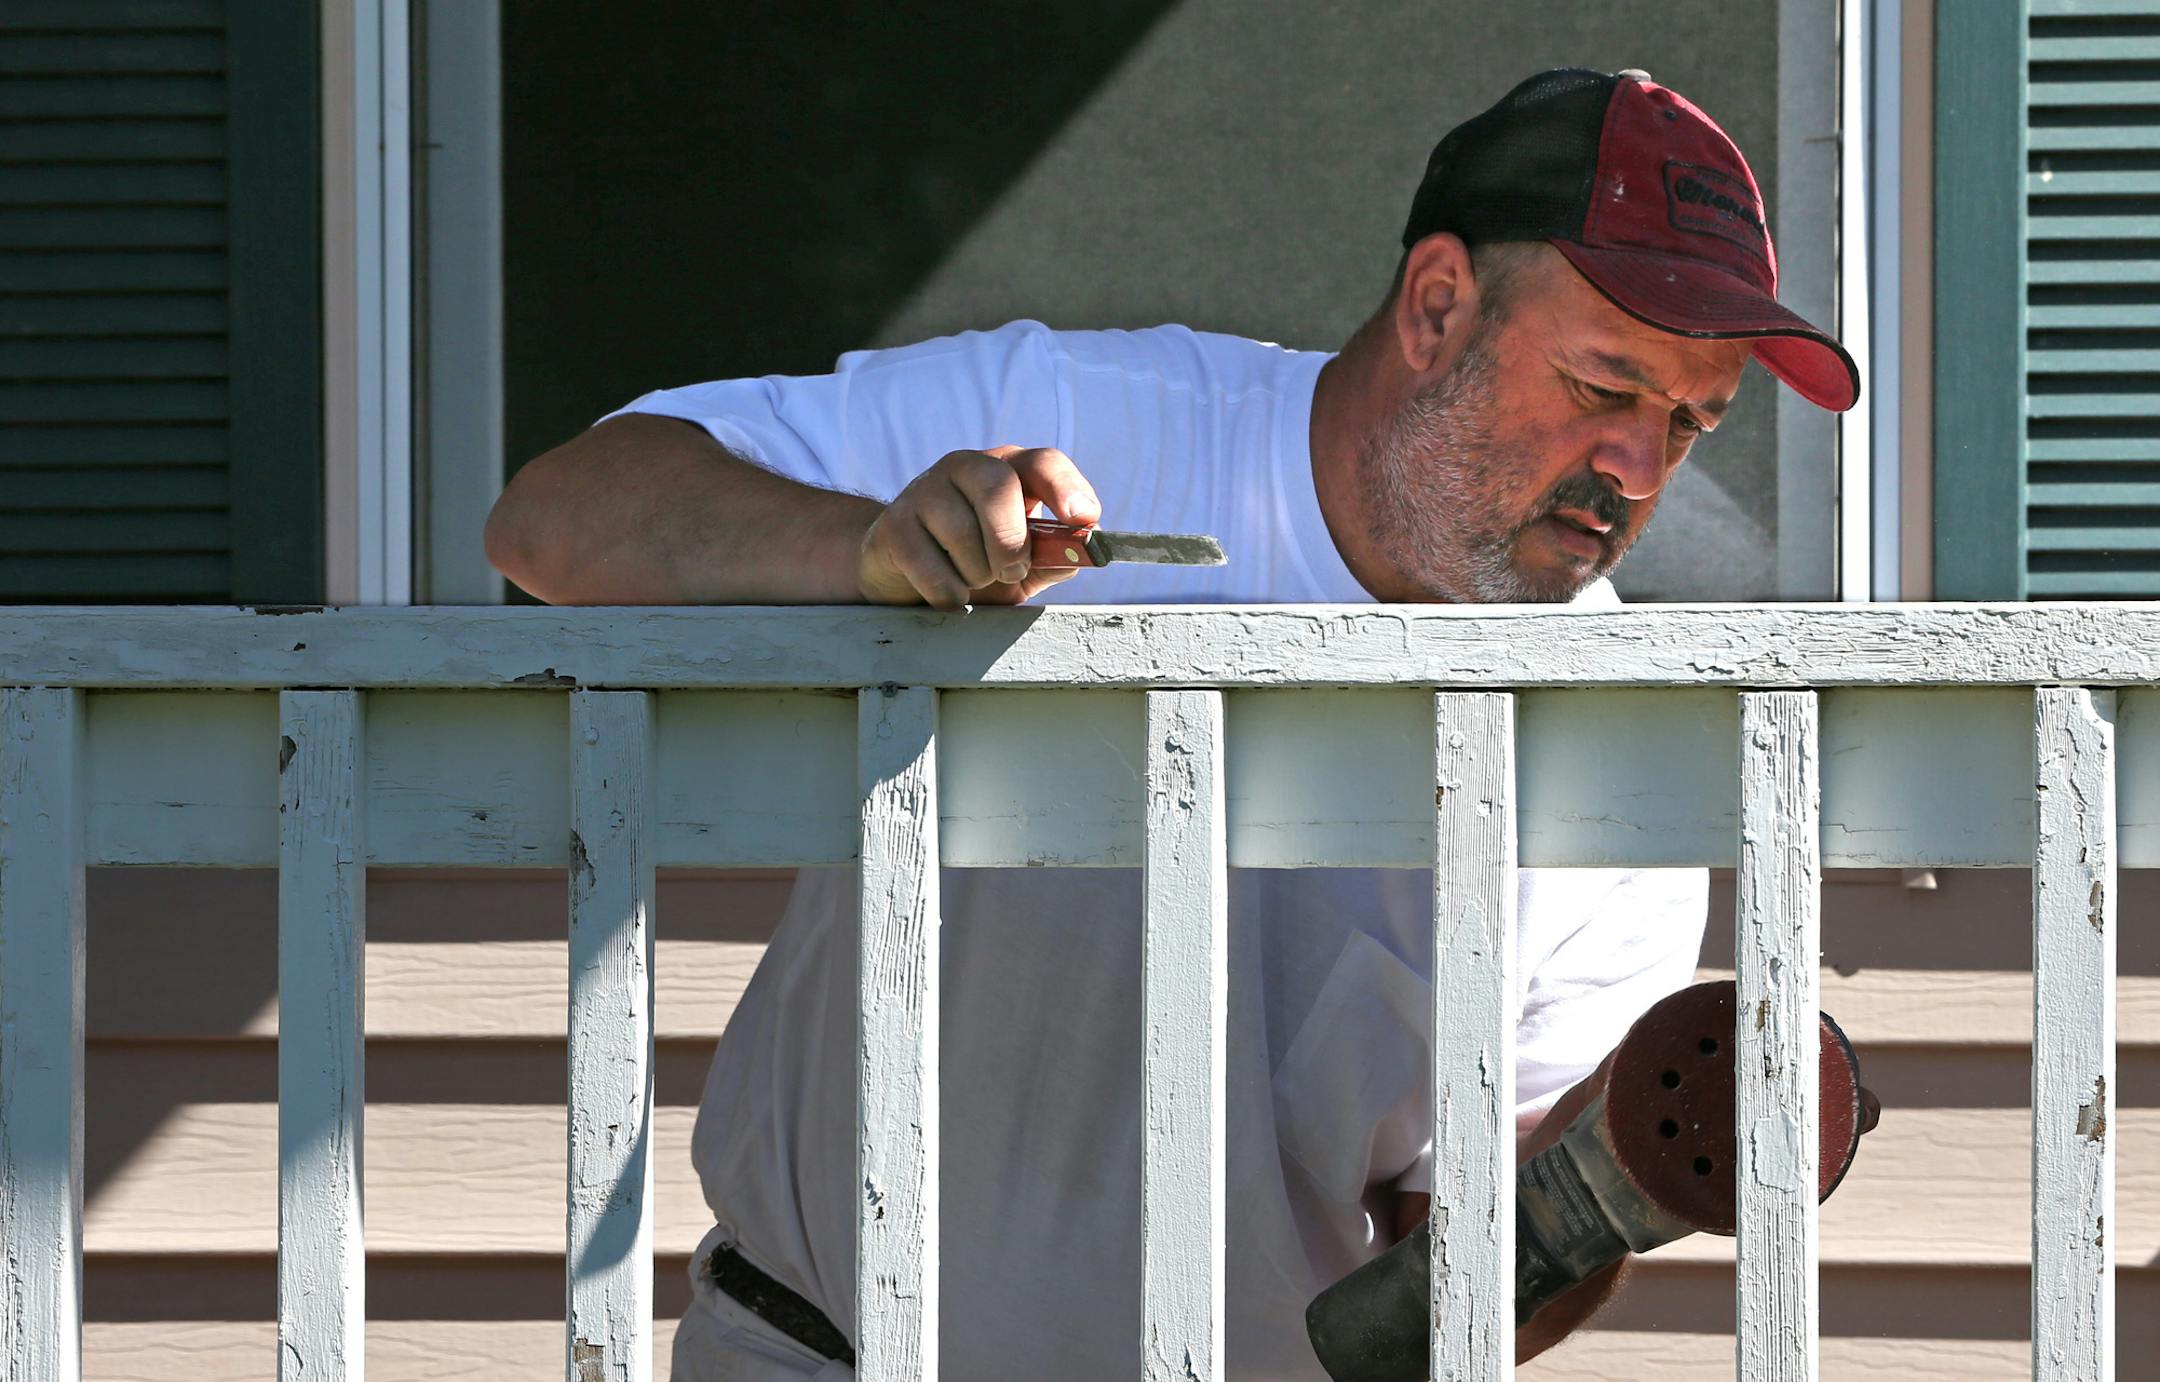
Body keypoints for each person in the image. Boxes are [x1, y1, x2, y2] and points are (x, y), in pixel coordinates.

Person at [486, 68, 1857, 1380]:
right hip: (825, 1352)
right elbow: (555, 519)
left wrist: (1602, 1188)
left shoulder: (1619, 735)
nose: (1635, 469)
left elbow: (1454, 1297)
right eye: (1606, 387)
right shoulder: (1082, 424)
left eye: (1689, 423)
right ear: (1438, 305)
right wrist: (867, 551)